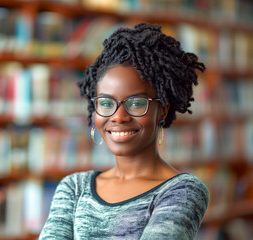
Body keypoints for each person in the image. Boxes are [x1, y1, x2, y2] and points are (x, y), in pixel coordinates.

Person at [39, 22, 209, 239]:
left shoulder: (182, 191)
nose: (118, 116)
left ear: (163, 110)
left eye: (136, 103)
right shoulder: (74, 188)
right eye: (107, 103)